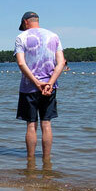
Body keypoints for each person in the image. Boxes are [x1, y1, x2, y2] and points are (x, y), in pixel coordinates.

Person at [14, 11, 65, 160]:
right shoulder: (54, 36)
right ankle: (46, 160)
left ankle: (30, 161)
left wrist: (36, 83)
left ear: (25, 22)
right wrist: (49, 83)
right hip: (50, 87)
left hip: (29, 87)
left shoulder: (21, 37)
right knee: (46, 124)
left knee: (31, 125)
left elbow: (21, 63)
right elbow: (61, 62)